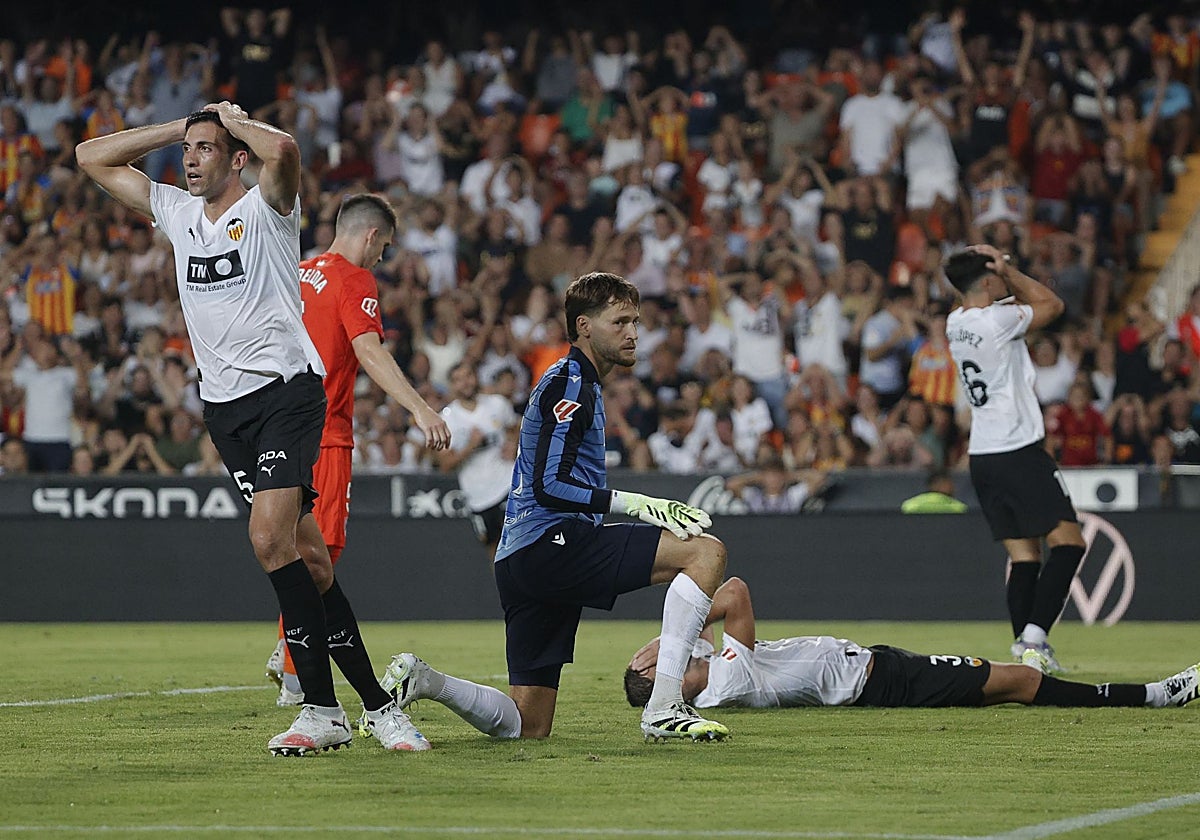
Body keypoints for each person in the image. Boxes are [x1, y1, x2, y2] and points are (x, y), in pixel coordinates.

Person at [76, 103, 430, 756]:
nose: (192, 160)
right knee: (311, 562)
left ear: (238, 157)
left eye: (206, 149)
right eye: (190, 150)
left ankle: (319, 710)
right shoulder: (176, 211)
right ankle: (376, 708)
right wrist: (182, 126)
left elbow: (286, 151)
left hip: (286, 396)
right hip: (225, 411)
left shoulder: (267, 208)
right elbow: (88, 157)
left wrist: (232, 121)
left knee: (269, 538)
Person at [399, 272, 730, 742]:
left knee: (529, 724)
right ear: (584, 327)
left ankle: (427, 681)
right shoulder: (571, 384)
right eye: (620, 322)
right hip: (552, 542)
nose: (633, 333)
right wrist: (635, 503)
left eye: (635, 321)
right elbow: (549, 486)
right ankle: (664, 705)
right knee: (705, 553)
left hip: (519, 558)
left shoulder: (574, 383)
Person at [264, 193, 452, 706]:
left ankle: (287, 648)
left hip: (280, 431)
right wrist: (420, 409)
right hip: (325, 433)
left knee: (292, 545)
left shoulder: (299, 271)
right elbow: (369, 349)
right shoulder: (355, 279)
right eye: (383, 247)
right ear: (371, 235)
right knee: (321, 552)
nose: (381, 257)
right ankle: (295, 671)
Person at [623, 577, 1200, 712]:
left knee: (1011, 683)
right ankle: (1156, 695)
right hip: (883, 681)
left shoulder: (707, 677)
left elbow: (703, 623)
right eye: (656, 662)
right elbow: (734, 593)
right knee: (1022, 681)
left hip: (874, 667)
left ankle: (1149, 693)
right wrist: (671, 637)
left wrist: (677, 643)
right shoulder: (723, 683)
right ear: (659, 677)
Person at [943, 245, 1087, 675]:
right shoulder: (996, 321)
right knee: (1070, 544)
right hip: (1018, 449)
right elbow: (1053, 305)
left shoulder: (955, 322)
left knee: (1025, 558)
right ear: (989, 281)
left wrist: (996, 274)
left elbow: (1009, 304)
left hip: (983, 455)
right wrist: (1009, 269)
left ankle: (1026, 655)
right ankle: (1034, 638)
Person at [435, 359, 518, 561]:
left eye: (468, 376)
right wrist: (470, 446)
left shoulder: (497, 404)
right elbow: (445, 465)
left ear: (476, 377)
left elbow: (515, 427)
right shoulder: (446, 419)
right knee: (495, 550)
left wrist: (514, 444)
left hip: (507, 483)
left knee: (519, 538)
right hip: (478, 494)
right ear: (452, 385)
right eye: (458, 379)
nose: (465, 383)